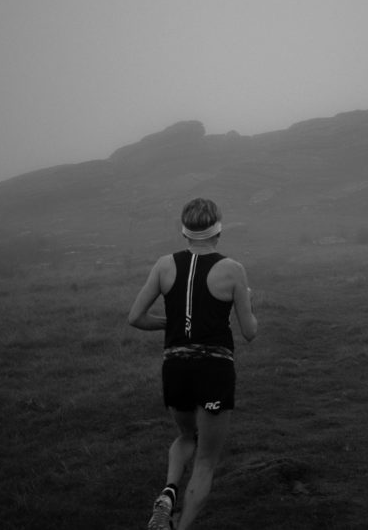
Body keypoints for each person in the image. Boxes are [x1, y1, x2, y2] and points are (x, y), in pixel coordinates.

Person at [128, 198, 257, 530]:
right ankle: (179, 527)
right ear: (219, 228)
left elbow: (136, 318)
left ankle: (168, 492)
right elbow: (249, 332)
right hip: (214, 369)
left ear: (184, 230)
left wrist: (174, 324)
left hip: (175, 366)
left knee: (187, 436)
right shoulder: (233, 269)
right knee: (206, 461)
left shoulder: (163, 265)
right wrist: (247, 301)